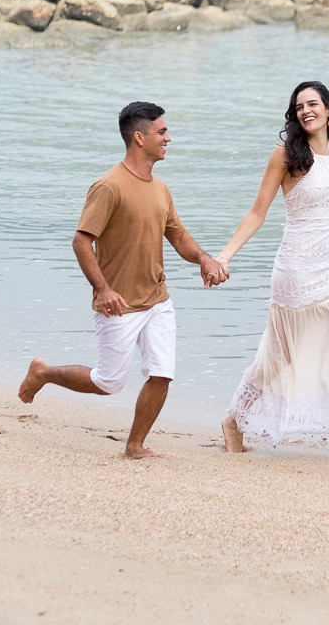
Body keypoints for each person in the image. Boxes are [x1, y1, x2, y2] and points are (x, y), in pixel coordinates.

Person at [18, 101, 228, 459]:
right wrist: (103, 289)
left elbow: (177, 236)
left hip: (158, 300)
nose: (168, 138)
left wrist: (204, 259)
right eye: (161, 132)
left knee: (162, 373)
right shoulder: (109, 186)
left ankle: (135, 445)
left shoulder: (160, 188)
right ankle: (44, 373)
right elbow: (81, 240)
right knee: (109, 382)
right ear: (139, 137)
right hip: (119, 303)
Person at [217, 81, 329, 461]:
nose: (305, 110)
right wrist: (225, 256)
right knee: (281, 354)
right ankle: (234, 419)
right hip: (297, 264)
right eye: (299, 106)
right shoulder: (285, 155)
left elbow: (328, 193)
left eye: (313, 103)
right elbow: (258, 211)